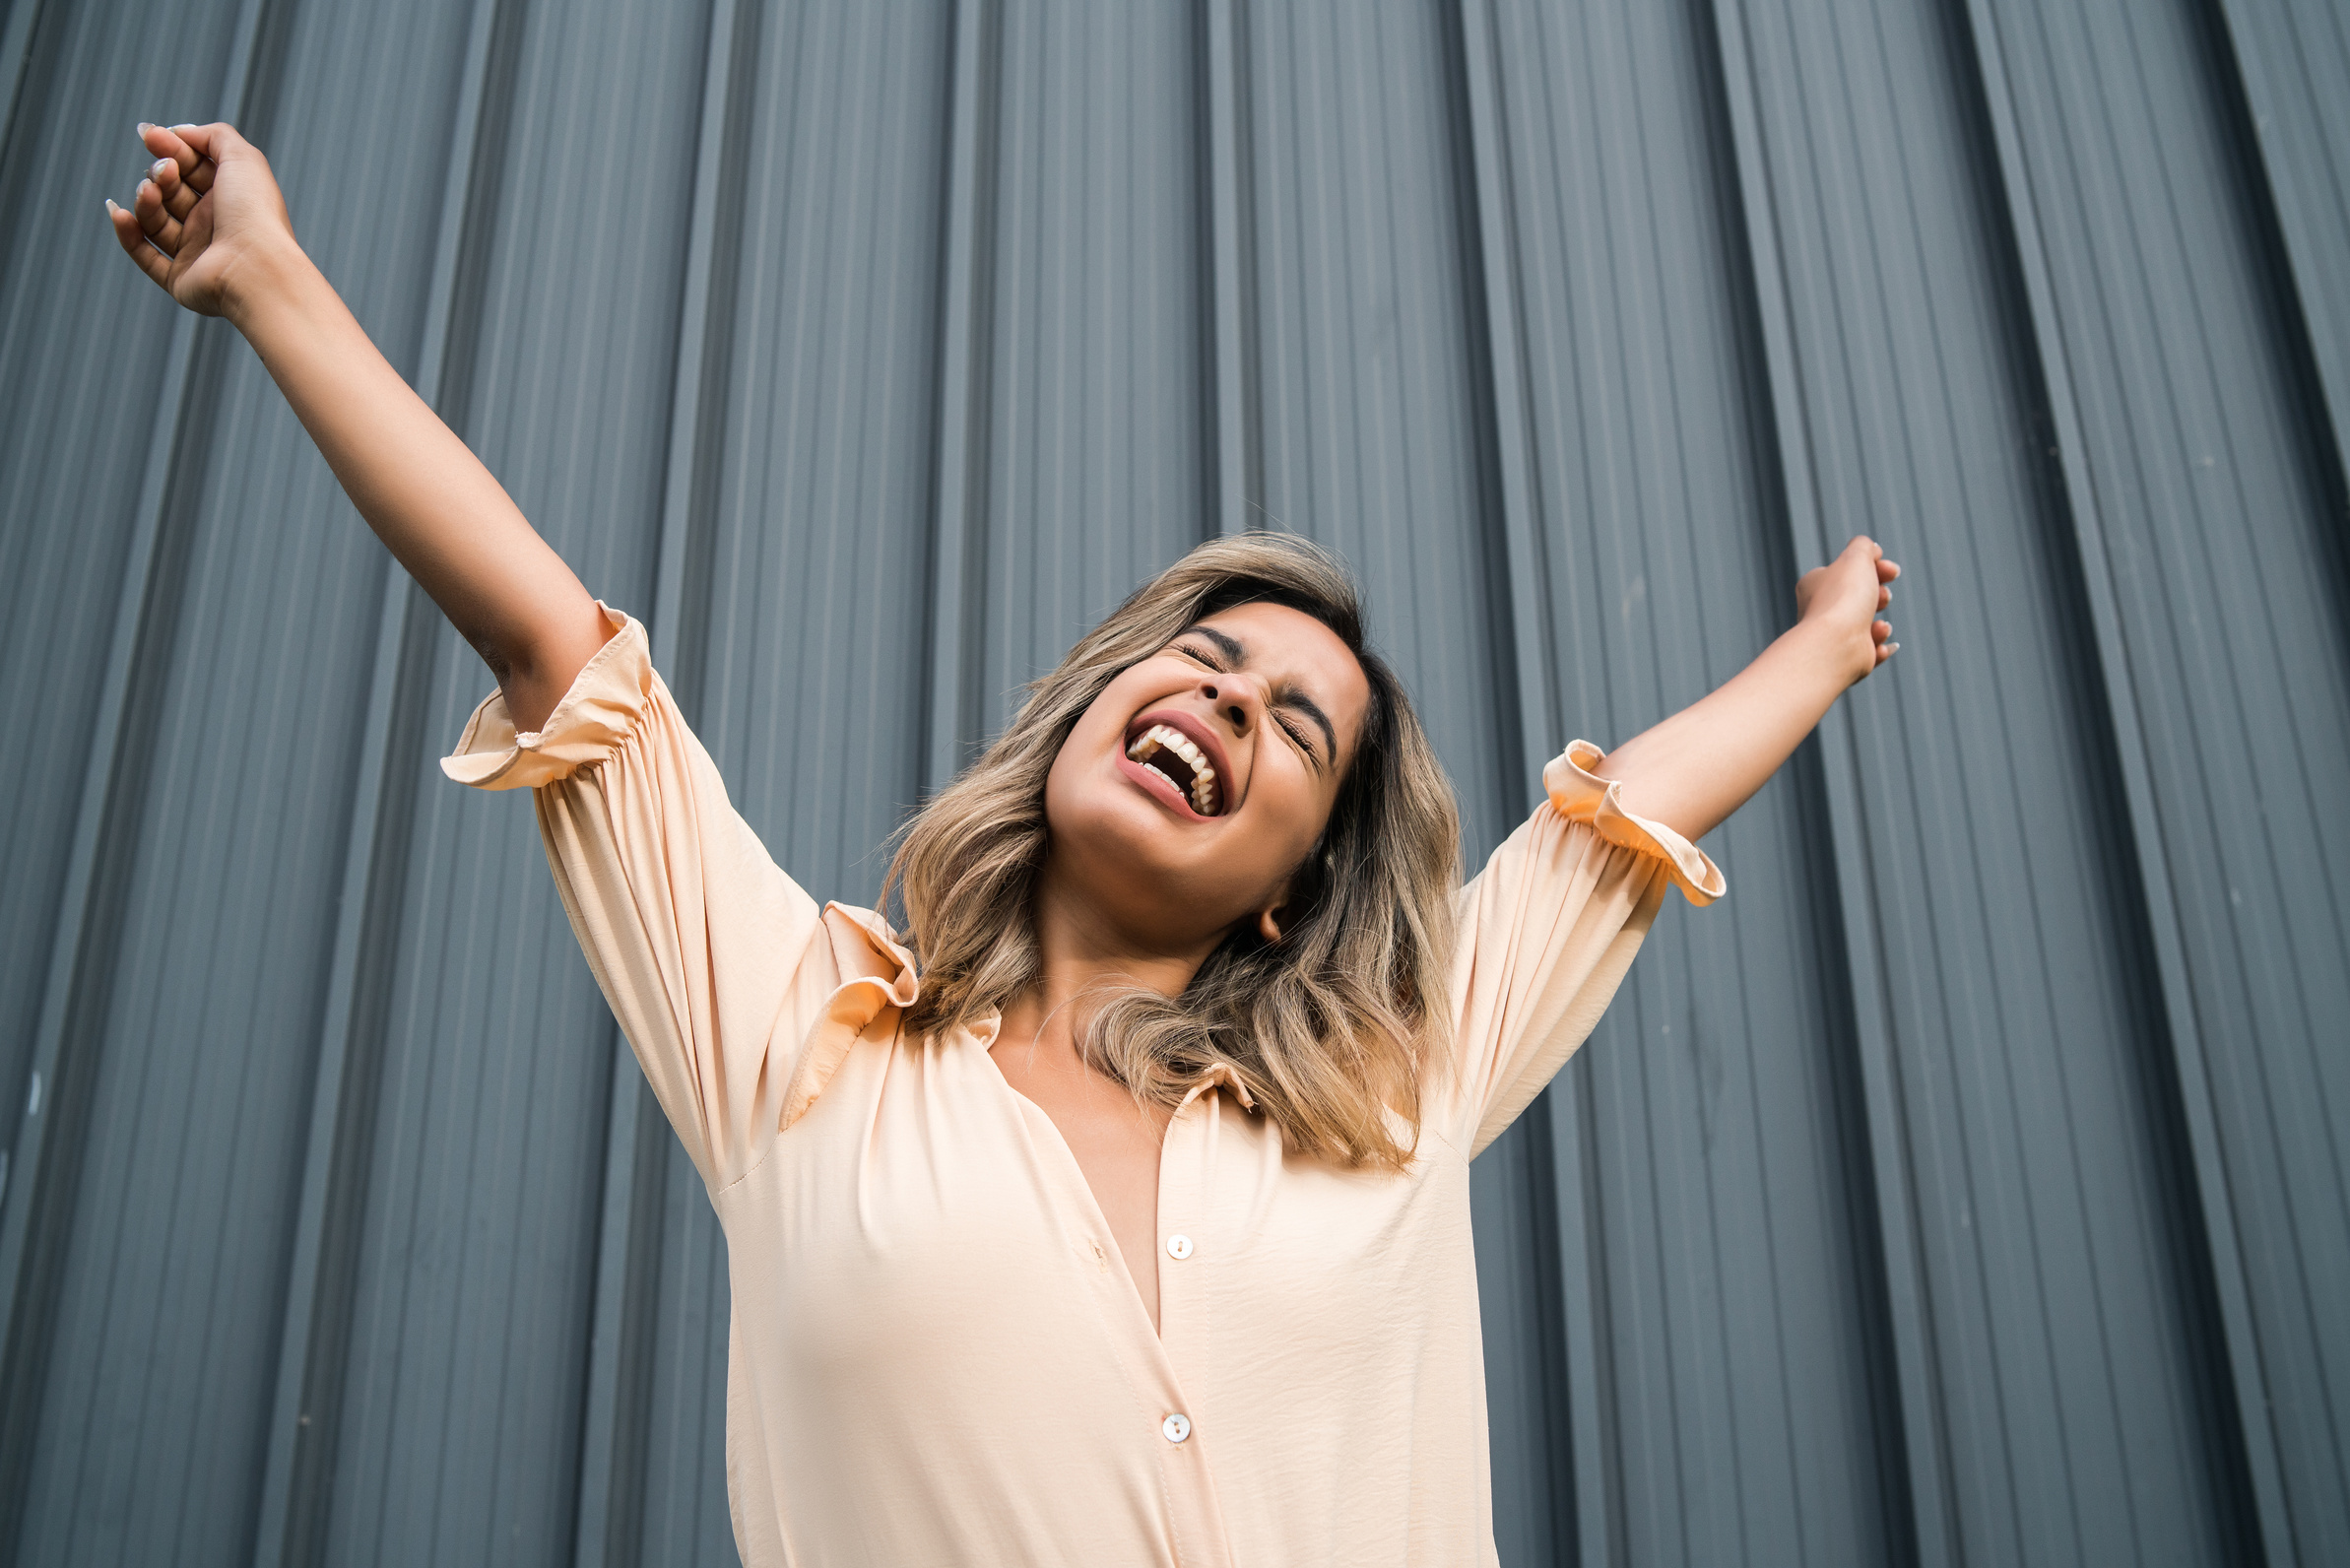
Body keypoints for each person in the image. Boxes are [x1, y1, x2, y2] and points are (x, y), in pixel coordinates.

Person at [110, 122, 1900, 1568]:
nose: (1225, 703)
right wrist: (265, 276)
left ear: (1294, 885)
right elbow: (556, 648)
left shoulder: (1396, 1077)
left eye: (1294, 724)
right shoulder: (796, 1045)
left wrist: (1825, 641)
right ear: (1092, 714)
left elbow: (1619, 827)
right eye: (1202, 660)